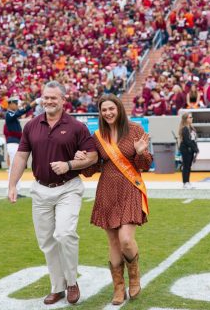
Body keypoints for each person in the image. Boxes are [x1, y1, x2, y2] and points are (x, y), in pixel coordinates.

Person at [8, 81, 98, 305]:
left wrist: (68, 165)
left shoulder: (76, 126)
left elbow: (93, 156)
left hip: (68, 188)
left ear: (63, 100)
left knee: (65, 234)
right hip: (40, 190)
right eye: (45, 98)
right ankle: (57, 287)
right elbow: (21, 157)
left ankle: (71, 282)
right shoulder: (31, 125)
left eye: (53, 98)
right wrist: (12, 185)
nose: (48, 101)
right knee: (47, 242)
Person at [75, 93, 152, 305]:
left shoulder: (135, 129)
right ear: (100, 113)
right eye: (104, 110)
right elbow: (92, 170)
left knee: (126, 240)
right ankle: (118, 288)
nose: (108, 113)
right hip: (107, 190)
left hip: (129, 188)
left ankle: (134, 277)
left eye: (111, 108)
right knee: (113, 241)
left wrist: (140, 153)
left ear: (119, 109)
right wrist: (83, 160)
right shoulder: (98, 137)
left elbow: (145, 165)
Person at [4, 96, 37, 194]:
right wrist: (32, 104)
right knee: (14, 168)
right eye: (15, 103)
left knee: (15, 167)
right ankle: (12, 190)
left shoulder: (11, 114)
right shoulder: (9, 114)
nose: (17, 105)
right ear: (10, 104)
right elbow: (19, 113)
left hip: (15, 143)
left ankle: (16, 190)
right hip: (13, 143)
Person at [178, 113, 199, 189]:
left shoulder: (191, 128)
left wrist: (195, 148)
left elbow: (193, 139)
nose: (191, 118)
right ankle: (185, 182)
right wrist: (195, 148)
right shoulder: (185, 128)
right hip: (186, 149)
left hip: (190, 149)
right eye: (190, 117)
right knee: (186, 166)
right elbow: (187, 141)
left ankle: (188, 182)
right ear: (186, 119)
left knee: (189, 166)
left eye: (191, 117)